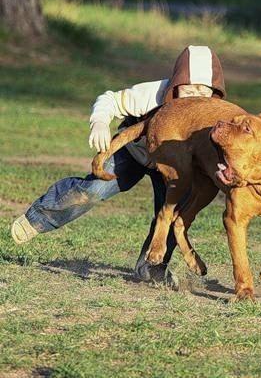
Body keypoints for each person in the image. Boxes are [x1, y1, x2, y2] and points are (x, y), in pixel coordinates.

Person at [11, 45, 226, 283]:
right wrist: (100, 122)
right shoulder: (152, 93)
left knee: (176, 212)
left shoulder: (214, 113)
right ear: (176, 81)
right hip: (134, 153)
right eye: (189, 87)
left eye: (202, 89)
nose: (195, 94)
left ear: (214, 93)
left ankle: (152, 267)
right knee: (92, 191)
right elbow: (110, 99)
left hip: (174, 168)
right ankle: (39, 218)